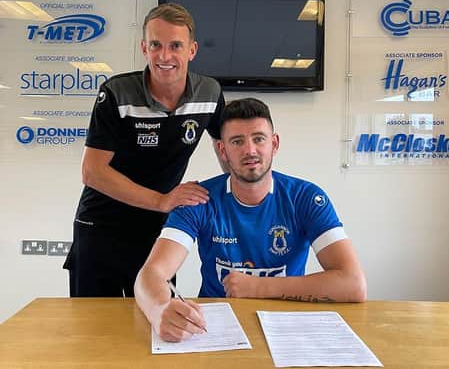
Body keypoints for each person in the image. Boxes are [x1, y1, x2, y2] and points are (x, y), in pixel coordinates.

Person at [134, 98, 367, 342]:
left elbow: (353, 284)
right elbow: (150, 274)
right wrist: (159, 310)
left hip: (287, 328)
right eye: (237, 141)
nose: (250, 150)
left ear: (274, 144)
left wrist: (257, 287)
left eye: (259, 138)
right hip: (213, 330)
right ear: (223, 151)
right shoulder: (198, 199)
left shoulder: (306, 198)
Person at [63, 3, 225, 297]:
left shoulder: (210, 93)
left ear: (192, 50)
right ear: (144, 47)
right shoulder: (116, 92)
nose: (165, 56)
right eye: (156, 45)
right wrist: (162, 200)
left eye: (175, 45)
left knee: (154, 323)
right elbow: (92, 172)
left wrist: (241, 201)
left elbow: (228, 147)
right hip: (101, 226)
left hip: (157, 231)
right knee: (94, 331)